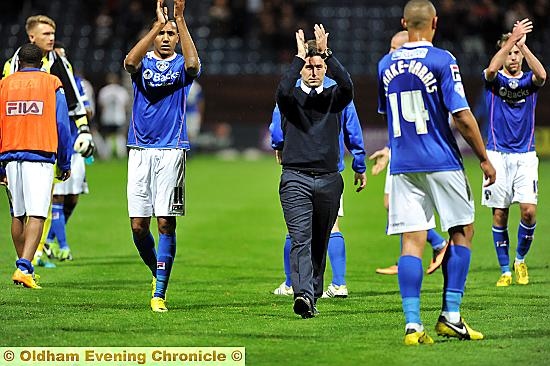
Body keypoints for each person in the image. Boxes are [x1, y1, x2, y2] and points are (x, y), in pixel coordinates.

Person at [377, 0, 496, 344]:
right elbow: (461, 115)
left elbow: (391, 115)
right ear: (435, 23)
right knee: (462, 231)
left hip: (403, 165)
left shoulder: (385, 64)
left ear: (403, 22)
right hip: (441, 159)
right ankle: (451, 315)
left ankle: (413, 325)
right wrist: (484, 158)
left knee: (411, 242)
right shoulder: (443, 60)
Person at [276, 24, 362, 318]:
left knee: (320, 242)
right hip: (295, 179)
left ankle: (310, 294)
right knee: (301, 238)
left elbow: (349, 87)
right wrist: (299, 57)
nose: (313, 71)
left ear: (325, 69)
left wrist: (328, 54)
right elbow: (282, 90)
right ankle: (302, 295)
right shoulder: (290, 102)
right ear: (301, 70)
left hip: (329, 180)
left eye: (318, 66)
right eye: (308, 67)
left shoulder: (334, 100)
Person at [124, 0, 200, 313]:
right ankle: (157, 271)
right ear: (154, 36)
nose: (167, 37)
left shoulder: (182, 66)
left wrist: (180, 19)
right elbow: (129, 61)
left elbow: (194, 65)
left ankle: (159, 291)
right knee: (139, 226)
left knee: (165, 222)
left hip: (171, 151)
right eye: (163, 33)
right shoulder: (143, 64)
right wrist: (155, 25)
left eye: (171, 34)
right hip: (140, 151)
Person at [270, 77, 366, 299]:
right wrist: (359, 162)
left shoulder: (292, 89)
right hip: (330, 170)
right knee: (332, 227)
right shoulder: (338, 90)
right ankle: (339, 283)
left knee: (297, 231)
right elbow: (352, 126)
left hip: (299, 167)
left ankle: (290, 283)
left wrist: (280, 145)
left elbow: (277, 124)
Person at [372, 30, 448, 276]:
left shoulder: (410, 77)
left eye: (395, 48)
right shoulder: (394, 75)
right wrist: (386, 149)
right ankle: (421, 249)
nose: (390, 53)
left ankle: (431, 247)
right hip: (401, 149)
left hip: (413, 155)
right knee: (391, 204)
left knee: (405, 207)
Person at [0, 43, 72, 288]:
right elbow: (62, 125)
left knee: (17, 214)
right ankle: (24, 267)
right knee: (38, 214)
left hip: (9, 155)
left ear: (18, 63)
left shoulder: (4, 84)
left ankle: (23, 266)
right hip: (39, 155)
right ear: (42, 62)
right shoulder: (52, 84)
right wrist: (65, 161)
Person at [481, 19, 545, 287]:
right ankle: (505, 269)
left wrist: (523, 45)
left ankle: (520, 260)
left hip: (525, 156)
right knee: (500, 213)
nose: (514, 57)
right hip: (497, 154)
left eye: (517, 53)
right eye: (510, 52)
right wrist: (510, 41)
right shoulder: (495, 82)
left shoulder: (530, 81)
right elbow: (490, 70)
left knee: (529, 212)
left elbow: (542, 76)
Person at [45, 42, 94, 262]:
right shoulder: (46, 84)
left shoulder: (76, 84)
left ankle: (48, 240)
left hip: (76, 146)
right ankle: (62, 247)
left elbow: (87, 110)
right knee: (57, 197)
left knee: (72, 200)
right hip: (57, 147)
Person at [97, 72, 130, 159]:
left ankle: (107, 155)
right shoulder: (121, 91)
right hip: (119, 117)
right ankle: (121, 154)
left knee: (108, 136)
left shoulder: (104, 91)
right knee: (120, 136)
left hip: (107, 117)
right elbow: (126, 105)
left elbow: (101, 106)